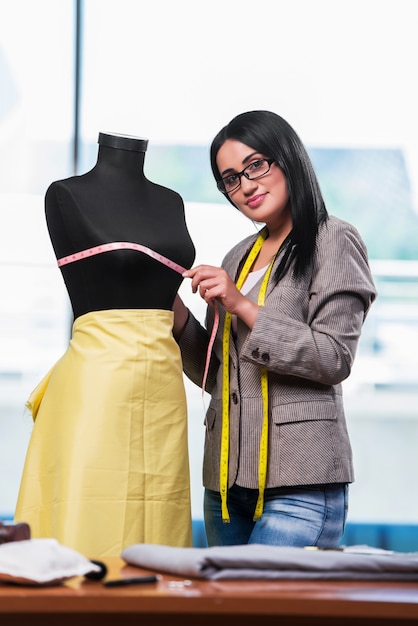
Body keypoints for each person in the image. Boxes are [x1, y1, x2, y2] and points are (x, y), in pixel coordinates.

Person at [173, 110, 377, 548]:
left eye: (256, 165)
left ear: (289, 158)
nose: (246, 185)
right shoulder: (236, 257)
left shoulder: (333, 239)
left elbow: (333, 357)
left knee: (275, 614)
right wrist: (179, 319)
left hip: (301, 486)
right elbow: (217, 376)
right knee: (229, 615)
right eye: (230, 178)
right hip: (226, 486)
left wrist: (242, 306)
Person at [14, 132, 196, 557]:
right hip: (98, 380)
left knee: (160, 513)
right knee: (89, 508)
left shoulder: (172, 202)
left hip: (164, 388)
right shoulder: (66, 196)